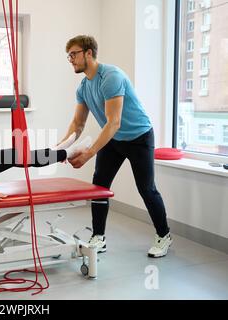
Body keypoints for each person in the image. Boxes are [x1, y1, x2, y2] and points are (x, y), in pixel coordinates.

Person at [60, 35, 172, 258]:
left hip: (138, 137)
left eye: (74, 54)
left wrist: (89, 154)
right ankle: (98, 237)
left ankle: (164, 235)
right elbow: (78, 123)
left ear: (89, 53)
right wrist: (63, 148)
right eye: (68, 56)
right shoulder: (83, 86)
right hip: (113, 139)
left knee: (146, 189)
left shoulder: (111, 77)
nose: (70, 59)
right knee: (99, 185)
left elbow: (114, 122)